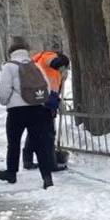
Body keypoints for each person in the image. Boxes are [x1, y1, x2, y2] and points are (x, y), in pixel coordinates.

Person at [0, 36, 56, 189]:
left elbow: (4, 92)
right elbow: (46, 87)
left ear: (11, 51)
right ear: (26, 50)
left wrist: (7, 101)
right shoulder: (35, 65)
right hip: (37, 109)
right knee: (40, 144)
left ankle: (11, 174)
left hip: (17, 111)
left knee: (14, 142)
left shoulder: (9, 67)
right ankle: (47, 177)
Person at [23, 41, 70, 172]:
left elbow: (55, 88)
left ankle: (27, 160)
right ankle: (50, 163)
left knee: (34, 132)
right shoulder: (48, 56)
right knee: (48, 133)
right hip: (44, 100)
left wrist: (58, 101)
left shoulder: (36, 61)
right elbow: (54, 62)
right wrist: (62, 67)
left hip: (35, 99)